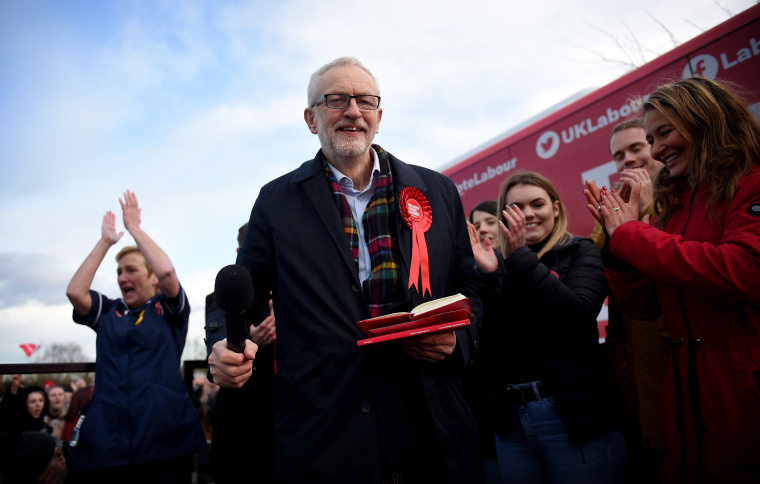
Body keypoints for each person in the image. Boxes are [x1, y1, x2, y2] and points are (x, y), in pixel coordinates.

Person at [209, 56, 484, 483]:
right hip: (326, 436)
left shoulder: (438, 191)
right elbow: (237, 293)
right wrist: (223, 344)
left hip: (430, 428)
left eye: (365, 100)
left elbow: (472, 286)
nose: (352, 110)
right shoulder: (276, 201)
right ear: (310, 118)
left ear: (379, 116)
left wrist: (460, 339)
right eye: (336, 99)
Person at [587, 77, 760, 483]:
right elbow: (647, 306)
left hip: (741, 390)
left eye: (664, 132)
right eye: (652, 137)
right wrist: (619, 248)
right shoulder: (681, 202)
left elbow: (741, 273)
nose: (657, 148)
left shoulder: (751, 183)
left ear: (706, 121)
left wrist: (632, 234)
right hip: (686, 396)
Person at [469, 171, 625, 484]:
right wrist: (488, 277)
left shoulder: (580, 251)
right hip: (511, 423)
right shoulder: (496, 264)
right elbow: (491, 338)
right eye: (516, 207)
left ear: (555, 208)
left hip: (572, 417)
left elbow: (577, 315)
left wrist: (520, 259)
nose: (527, 214)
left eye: (537, 204)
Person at [65, 190, 205, 483]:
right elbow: (75, 292)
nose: (121, 278)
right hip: (109, 442)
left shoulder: (167, 309)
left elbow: (167, 273)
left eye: (130, 270)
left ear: (151, 276)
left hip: (162, 440)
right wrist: (105, 241)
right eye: (118, 272)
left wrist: (135, 229)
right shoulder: (109, 311)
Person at [588, 118, 669, 483]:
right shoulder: (607, 222)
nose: (628, 161)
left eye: (638, 147)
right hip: (636, 380)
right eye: (618, 155)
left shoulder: (690, 203)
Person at [205, 223, 276, 484]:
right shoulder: (221, 298)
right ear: (240, 251)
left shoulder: (294, 296)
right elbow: (216, 342)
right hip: (241, 425)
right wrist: (247, 342)